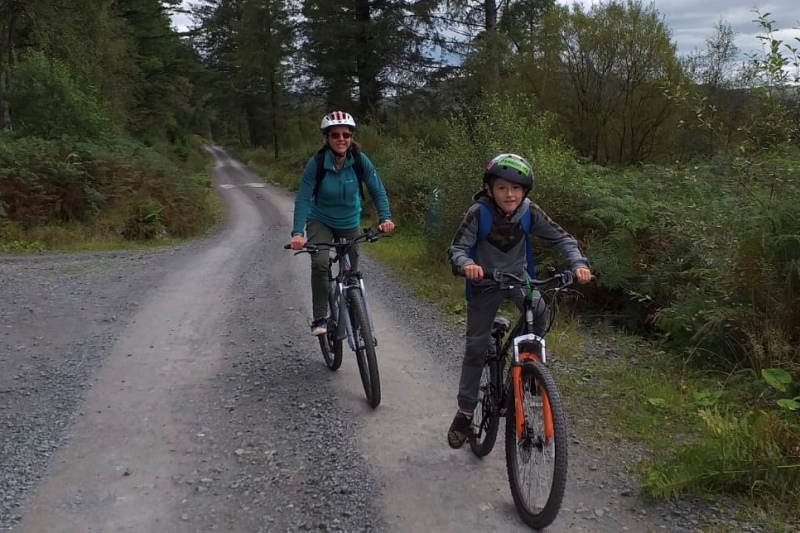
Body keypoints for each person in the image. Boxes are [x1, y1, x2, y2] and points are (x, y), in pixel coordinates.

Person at [446, 153, 592, 449]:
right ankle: (464, 412)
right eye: (502, 187)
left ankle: (525, 368)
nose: (509, 194)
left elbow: (563, 238)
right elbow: (457, 248)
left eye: (515, 188)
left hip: (518, 280)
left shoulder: (529, 212)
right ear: (490, 189)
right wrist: (467, 265)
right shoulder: (479, 213)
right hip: (485, 283)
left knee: (539, 310)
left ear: (524, 191)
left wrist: (578, 264)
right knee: (476, 348)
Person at [290, 111, 395, 335]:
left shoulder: (359, 160)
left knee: (351, 272)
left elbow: (377, 189)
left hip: (348, 221)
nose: (341, 139)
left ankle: (354, 311)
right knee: (320, 262)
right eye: (335, 134)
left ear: (351, 137)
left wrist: (385, 217)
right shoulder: (316, 164)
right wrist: (298, 233)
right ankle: (320, 318)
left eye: (346, 134)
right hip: (320, 220)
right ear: (327, 138)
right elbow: (302, 199)